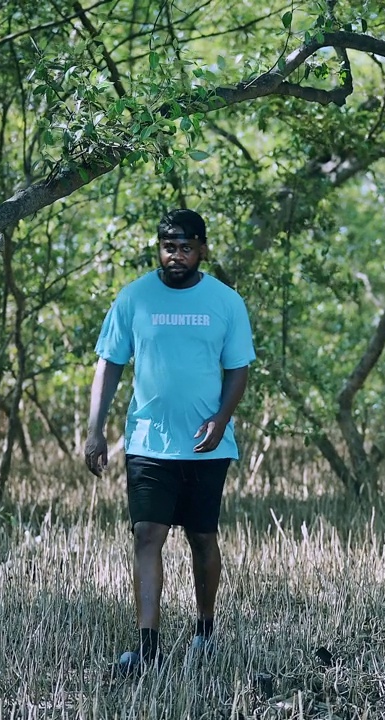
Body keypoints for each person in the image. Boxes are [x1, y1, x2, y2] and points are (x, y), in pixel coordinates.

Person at [84, 209, 255, 674]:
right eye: (167, 246)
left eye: (184, 247)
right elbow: (110, 364)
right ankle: (148, 648)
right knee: (146, 536)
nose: (175, 255)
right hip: (147, 443)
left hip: (206, 444)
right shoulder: (134, 297)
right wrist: (95, 429)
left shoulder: (225, 302)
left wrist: (221, 420)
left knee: (202, 538)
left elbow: (238, 368)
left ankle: (204, 633)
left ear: (202, 249)